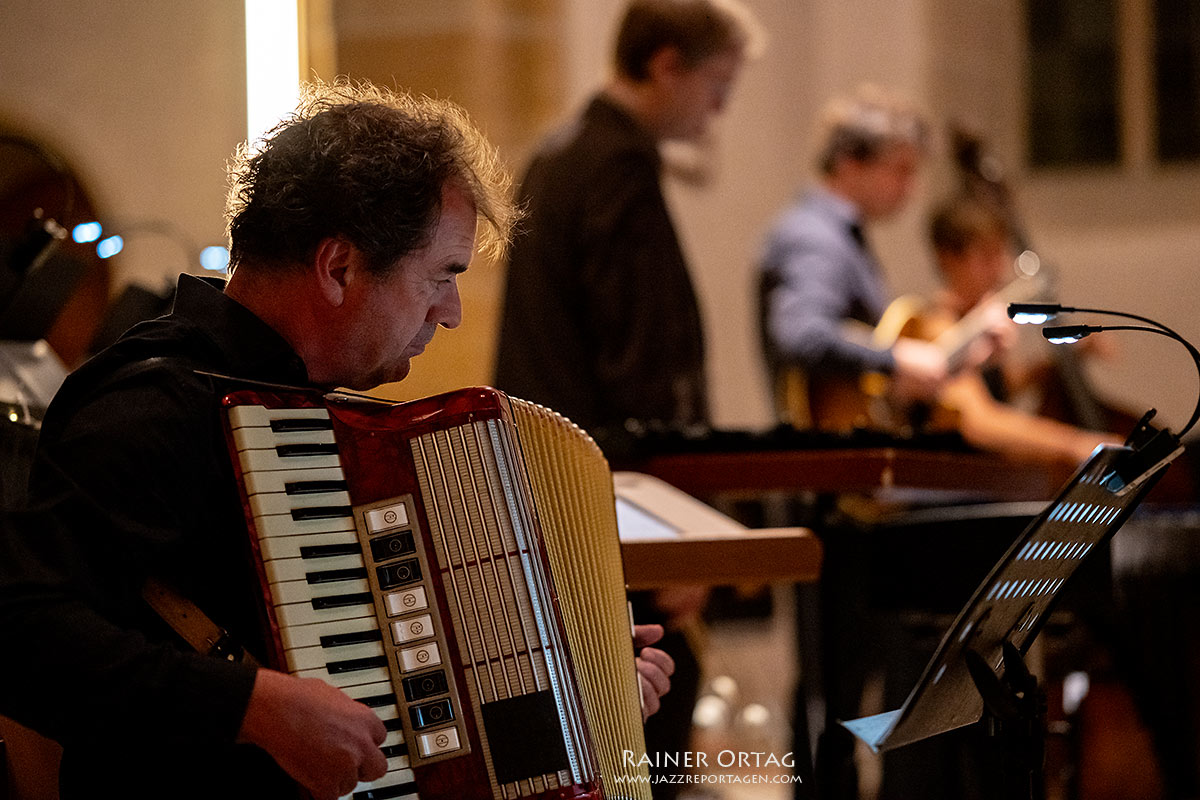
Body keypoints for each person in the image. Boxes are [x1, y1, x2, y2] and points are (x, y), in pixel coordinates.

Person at [0, 79, 673, 800]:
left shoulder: (345, 431)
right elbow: (20, 631)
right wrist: (251, 709)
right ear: (339, 267)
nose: (450, 312)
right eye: (441, 275)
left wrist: (577, 691)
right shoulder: (153, 406)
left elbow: (415, 691)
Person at [493, 3, 762, 795]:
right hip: (617, 507)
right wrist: (681, 537)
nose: (721, 108)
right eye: (717, 84)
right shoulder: (616, 167)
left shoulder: (563, 151)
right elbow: (645, 367)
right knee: (639, 753)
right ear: (666, 64)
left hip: (556, 487)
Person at [759, 86, 952, 431]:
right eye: (901, 170)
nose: (911, 188)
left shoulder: (838, 235)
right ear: (849, 163)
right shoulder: (816, 237)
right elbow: (803, 335)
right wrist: (895, 359)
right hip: (826, 450)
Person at [923, 192, 1116, 467]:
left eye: (1000, 254)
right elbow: (977, 421)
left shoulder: (978, 320)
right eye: (986, 257)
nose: (999, 269)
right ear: (948, 259)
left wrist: (1072, 355)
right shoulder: (937, 325)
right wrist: (1076, 444)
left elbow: (999, 386)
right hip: (958, 480)